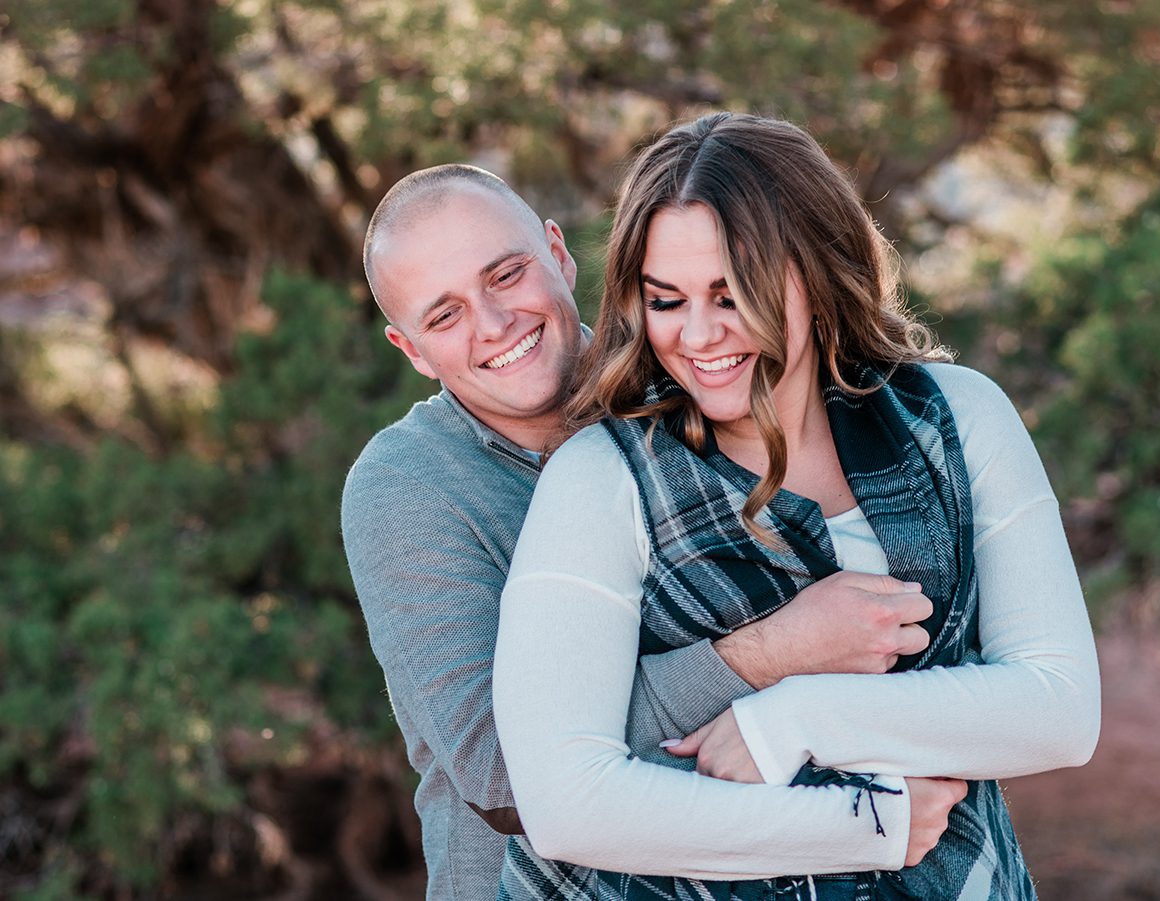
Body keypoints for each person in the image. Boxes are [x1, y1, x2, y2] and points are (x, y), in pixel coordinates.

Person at [493, 113, 1100, 899]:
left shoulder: (955, 417)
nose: (700, 336)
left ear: (814, 270)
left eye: (733, 292)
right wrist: (865, 826)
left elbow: (1058, 708)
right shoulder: (602, 479)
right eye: (667, 300)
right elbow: (565, 801)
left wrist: (792, 719)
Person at [342, 164, 968, 899]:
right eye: (443, 316)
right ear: (411, 349)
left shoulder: (694, 381)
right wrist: (768, 656)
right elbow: (505, 771)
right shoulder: (408, 487)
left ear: (558, 251)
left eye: (506, 275)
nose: (492, 322)